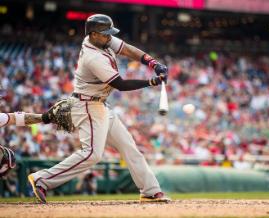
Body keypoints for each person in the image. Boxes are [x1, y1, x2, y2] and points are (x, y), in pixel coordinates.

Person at [0, 14, 170, 203]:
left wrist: (152, 62)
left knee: (129, 147)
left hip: (100, 104)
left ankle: (150, 190)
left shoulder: (100, 40)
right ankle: (42, 179)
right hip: (88, 106)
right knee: (92, 155)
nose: (109, 37)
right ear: (94, 34)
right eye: (105, 34)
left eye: (109, 34)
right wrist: (152, 81)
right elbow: (120, 85)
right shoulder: (92, 57)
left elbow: (127, 49)